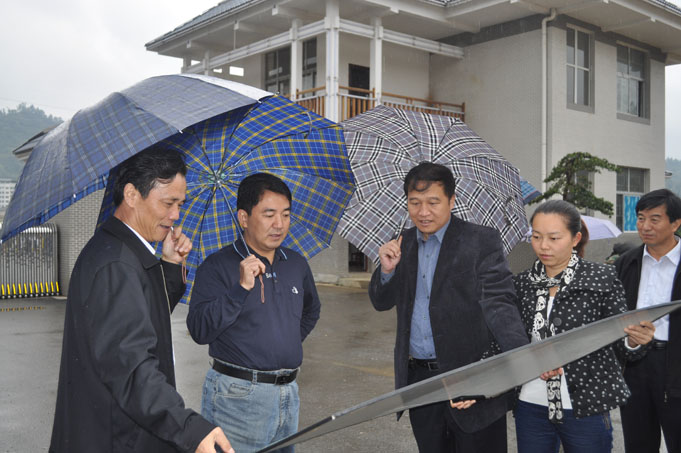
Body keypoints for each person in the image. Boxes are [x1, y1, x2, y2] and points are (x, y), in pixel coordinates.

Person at [49, 146, 232, 453]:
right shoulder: (117, 264)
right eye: (168, 203)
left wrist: (170, 265)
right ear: (132, 195)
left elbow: (142, 317)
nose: (175, 215)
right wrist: (189, 428)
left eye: (180, 204)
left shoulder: (121, 250)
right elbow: (131, 369)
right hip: (116, 438)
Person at [368, 162, 529, 453]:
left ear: (451, 201)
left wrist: (518, 364)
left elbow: (500, 304)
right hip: (420, 381)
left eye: (433, 202)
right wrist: (387, 270)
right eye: (414, 202)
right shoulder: (402, 244)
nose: (423, 212)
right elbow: (381, 302)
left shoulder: (481, 240)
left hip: (472, 379)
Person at [187, 172, 321, 452]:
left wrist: (285, 341)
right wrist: (240, 288)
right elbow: (199, 329)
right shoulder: (217, 266)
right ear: (244, 218)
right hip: (237, 397)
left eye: (286, 214)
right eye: (269, 214)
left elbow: (312, 310)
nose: (279, 224)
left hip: (288, 394)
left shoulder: (296, 263)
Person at [513, 200, 654, 453]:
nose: (543, 245)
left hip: (586, 404)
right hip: (531, 403)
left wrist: (633, 340)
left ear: (575, 238)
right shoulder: (522, 283)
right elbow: (508, 340)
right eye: (536, 236)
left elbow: (620, 341)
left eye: (554, 238)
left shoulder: (602, 277)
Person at [615, 188, 681, 453]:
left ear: (675, 223)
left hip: (676, 363)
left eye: (655, 219)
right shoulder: (625, 263)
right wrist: (628, 344)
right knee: (638, 442)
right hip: (635, 364)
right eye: (641, 218)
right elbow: (614, 315)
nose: (645, 226)